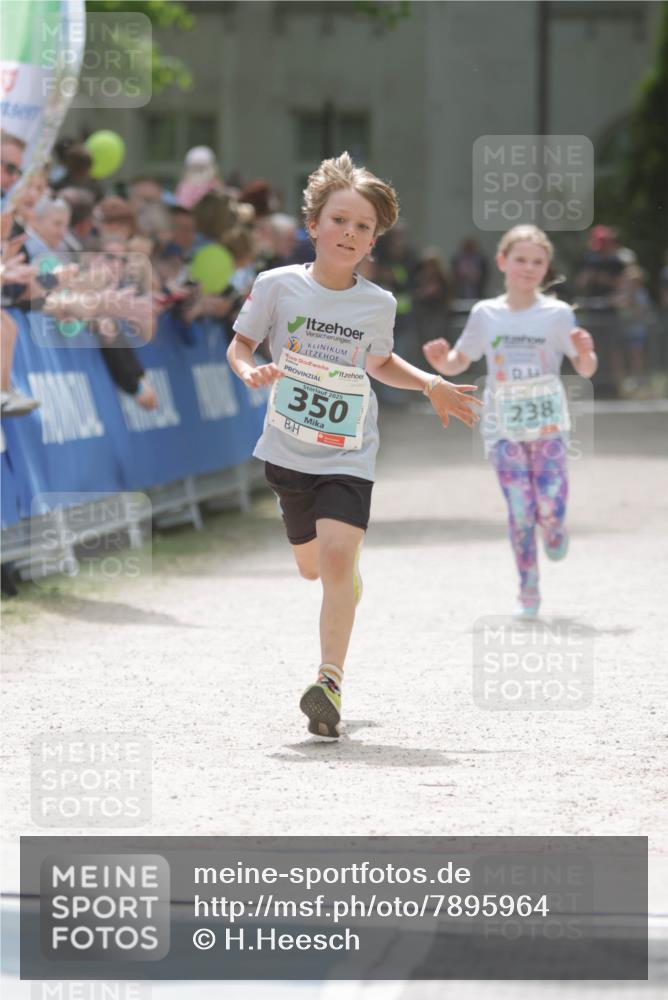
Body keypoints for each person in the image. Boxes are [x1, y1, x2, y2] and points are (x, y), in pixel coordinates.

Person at [227, 152, 480, 739]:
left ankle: (329, 682)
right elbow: (240, 344)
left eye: (363, 227)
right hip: (287, 452)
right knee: (312, 567)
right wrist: (248, 371)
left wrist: (429, 383)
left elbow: (379, 362)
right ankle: (341, 581)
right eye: (339, 220)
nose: (350, 233)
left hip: (348, 451)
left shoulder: (377, 303)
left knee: (339, 558)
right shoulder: (275, 285)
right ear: (313, 225)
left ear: (374, 240)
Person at [423, 224, 597, 619]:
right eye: (520, 259)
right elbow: (460, 360)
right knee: (520, 509)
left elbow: (584, 369)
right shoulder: (486, 314)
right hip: (502, 426)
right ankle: (528, 590)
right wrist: (442, 363)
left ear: (546, 267)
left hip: (548, 423)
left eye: (537, 261)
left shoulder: (557, 313)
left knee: (548, 507)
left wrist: (586, 352)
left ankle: (554, 529)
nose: (528, 268)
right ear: (502, 262)